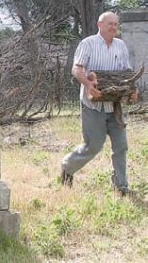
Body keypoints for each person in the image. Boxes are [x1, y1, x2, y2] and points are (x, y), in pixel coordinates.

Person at [60, 11, 139, 196]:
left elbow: (127, 73)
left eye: (116, 24)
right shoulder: (88, 43)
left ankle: (121, 186)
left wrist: (133, 90)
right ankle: (67, 167)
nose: (113, 27)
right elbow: (77, 68)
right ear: (99, 24)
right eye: (109, 23)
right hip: (93, 105)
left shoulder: (120, 46)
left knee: (121, 145)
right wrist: (88, 84)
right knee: (93, 146)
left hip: (115, 106)